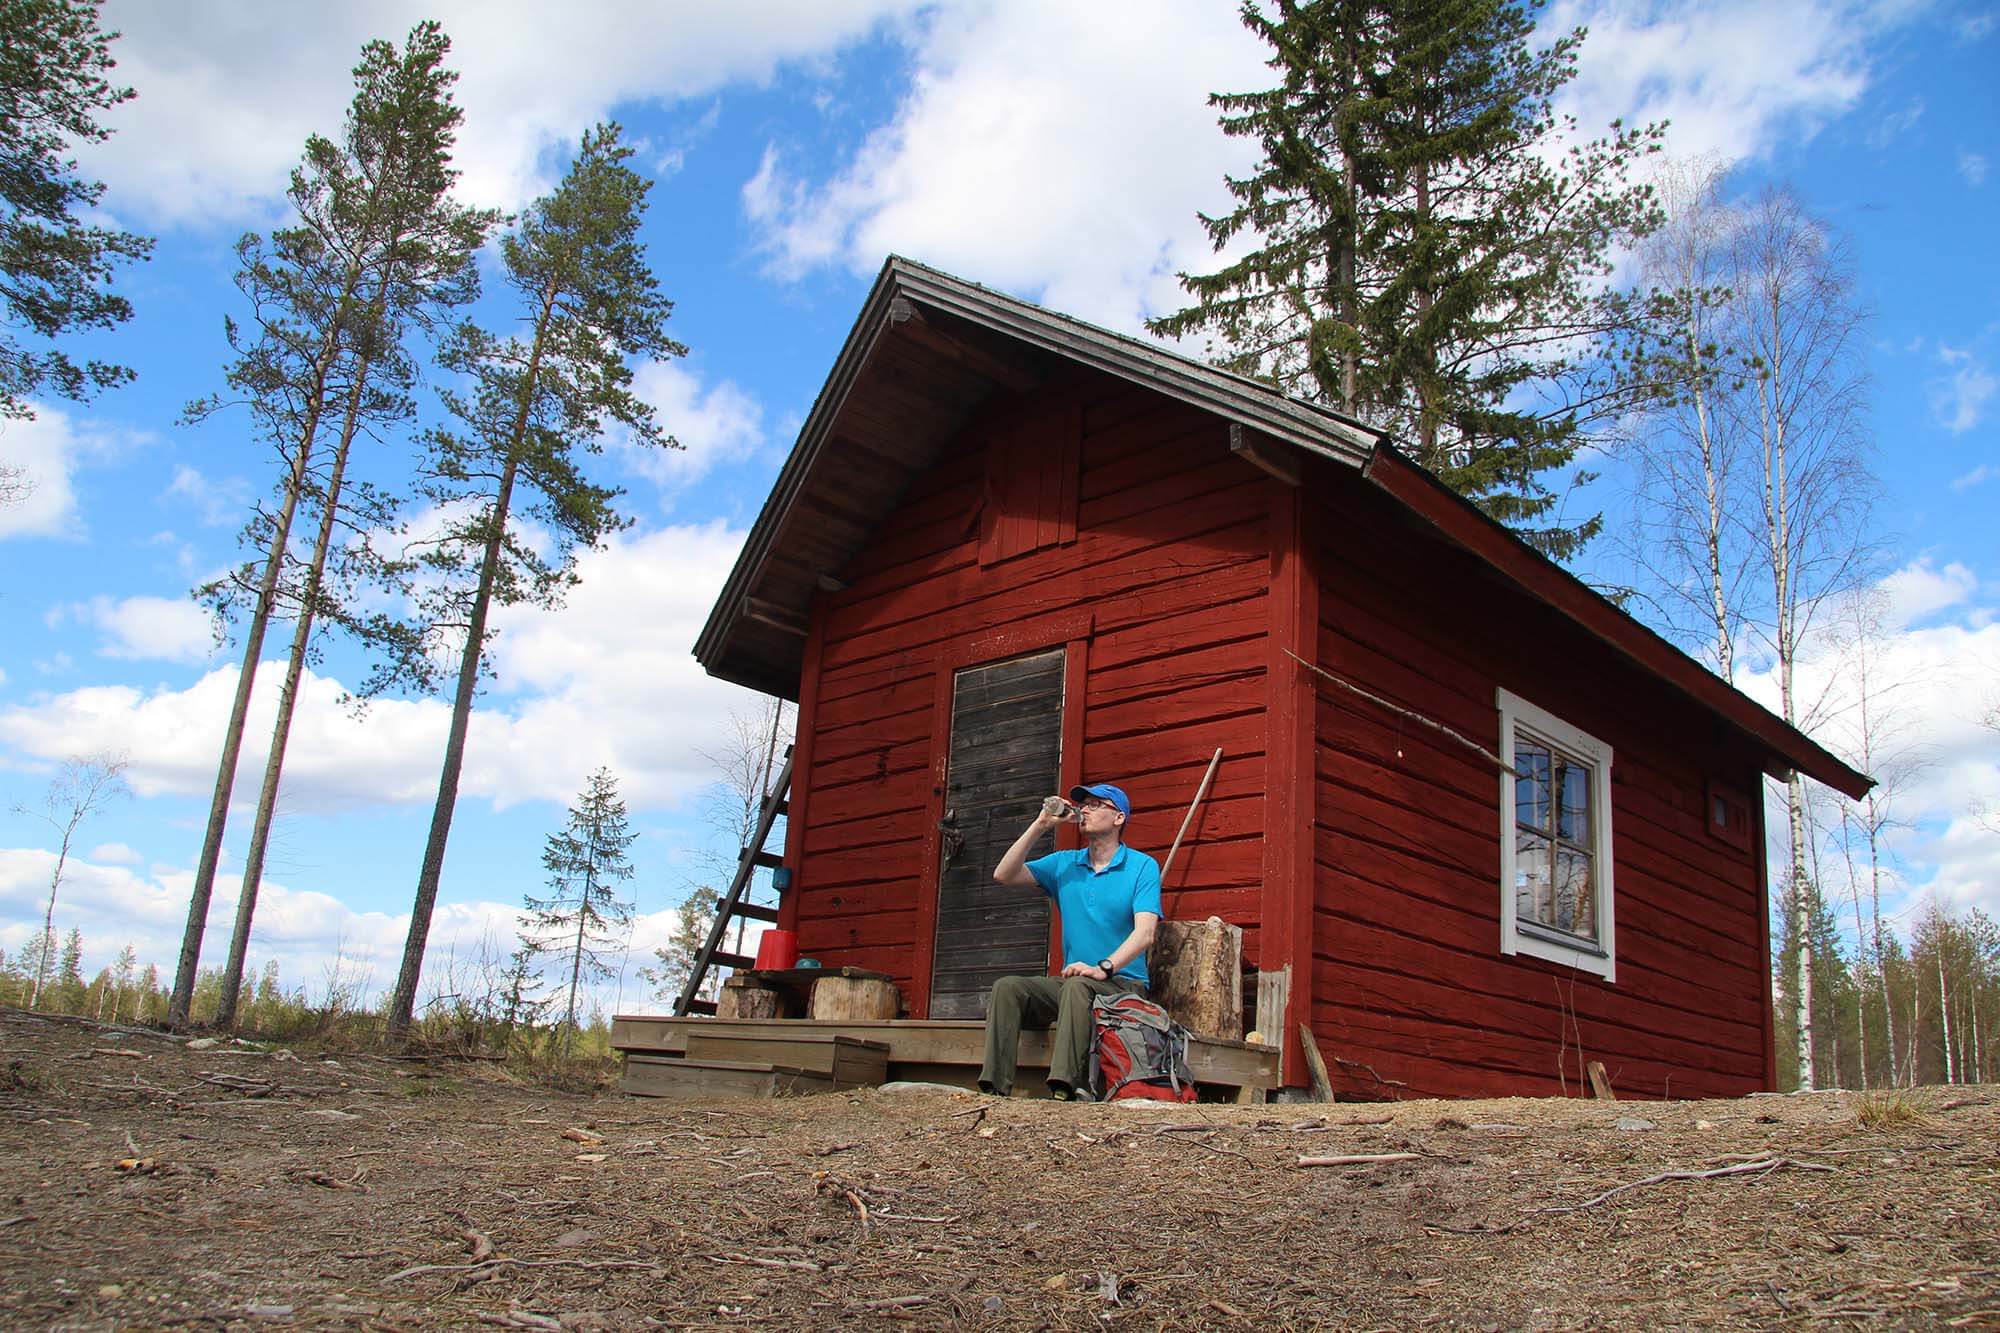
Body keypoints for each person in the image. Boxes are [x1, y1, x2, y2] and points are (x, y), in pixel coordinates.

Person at [978, 781, 1161, 1100]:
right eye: (1083, 804)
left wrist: (1103, 968)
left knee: (1078, 987)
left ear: (1118, 818)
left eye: (1095, 804)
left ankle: (1066, 1086)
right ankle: (995, 1088)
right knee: (1008, 987)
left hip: (1123, 985)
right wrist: (1040, 825)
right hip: (1075, 985)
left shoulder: (1141, 866)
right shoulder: (1065, 864)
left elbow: (1145, 932)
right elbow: (1003, 874)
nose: (1085, 809)